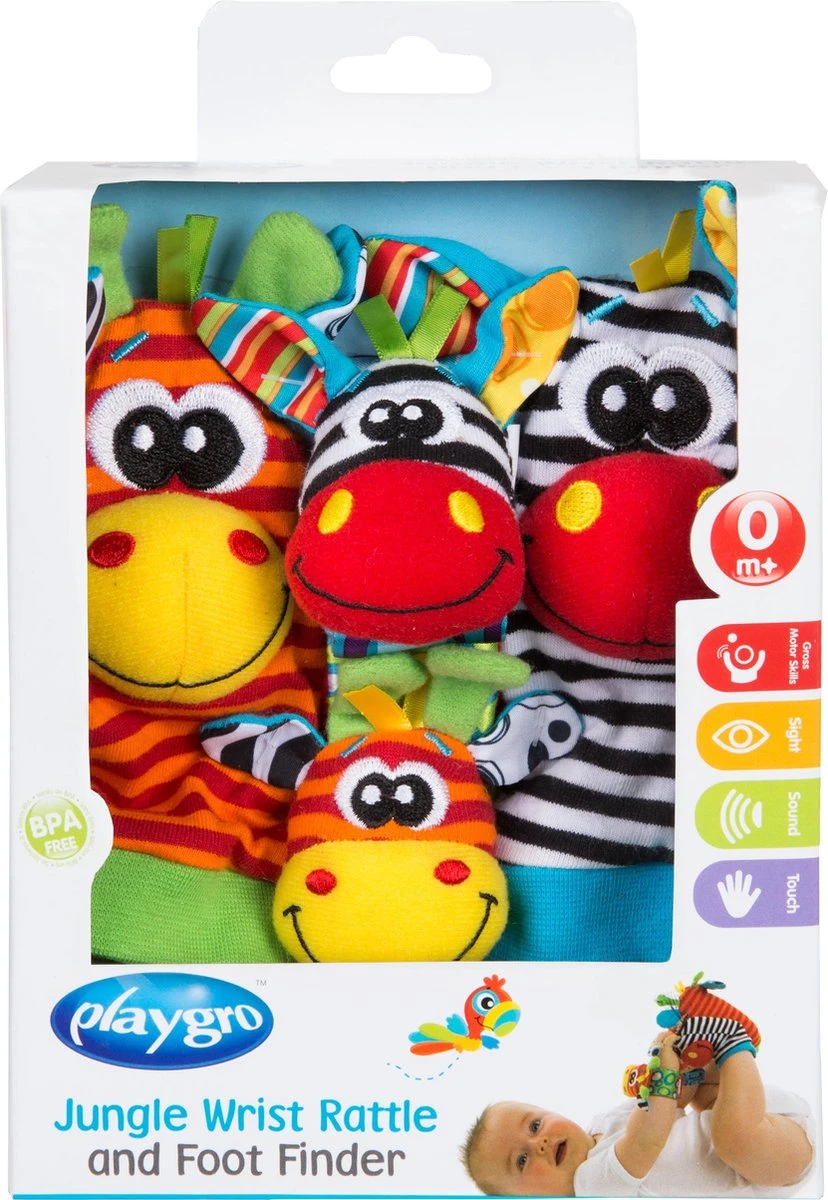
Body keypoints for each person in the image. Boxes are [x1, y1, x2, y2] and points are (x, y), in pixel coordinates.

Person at [462, 1030, 815, 1197]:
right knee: (731, 1137)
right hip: (764, 1167)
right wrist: (663, 1073)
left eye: (535, 1125)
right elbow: (648, 1138)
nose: (538, 1143)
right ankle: (734, 1044)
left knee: (702, 1087)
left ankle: (712, 1041)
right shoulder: (591, 1186)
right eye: (521, 1160)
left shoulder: (603, 1123)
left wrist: (677, 1058)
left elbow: (670, 1105)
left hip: (748, 1116)